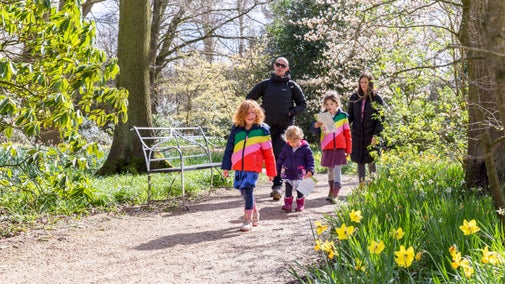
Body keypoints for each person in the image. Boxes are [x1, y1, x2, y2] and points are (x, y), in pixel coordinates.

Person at [246, 57, 307, 201]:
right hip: (266, 128)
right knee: (263, 156)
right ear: (274, 66)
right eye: (277, 64)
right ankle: (250, 185)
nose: (279, 67)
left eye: (283, 65)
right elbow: (249, 99)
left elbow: (302, 104)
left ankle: (277, 187)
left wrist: (291, 112)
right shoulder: (265, 85)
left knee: (280, 155)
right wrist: (258, 113)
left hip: (284, 129)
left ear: (287, 69)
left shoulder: (292, 86)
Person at [221, 100, 277, 232]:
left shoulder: (262, 130)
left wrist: (271, 171)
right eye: (247, 112)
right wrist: (226, 166)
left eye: (253, 112)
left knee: (248, 188)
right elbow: (229, 148)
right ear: (241, 114)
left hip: (253, 166)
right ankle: (255, 213)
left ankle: (247, 220)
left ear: (257, 113)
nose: (250, 115)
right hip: (239, 166)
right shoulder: (236, 129)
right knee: (243, 190)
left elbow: (269, 153)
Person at [312, 91, 352, 204]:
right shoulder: (323, 116)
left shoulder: (343, 116)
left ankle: (336, 192)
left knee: (337, 169)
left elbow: (348, 134)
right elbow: (314, 130)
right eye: (327, 104)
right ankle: (331, 189)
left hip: (339, 148)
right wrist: (316, 125)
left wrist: (348, 149)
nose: (329, 106)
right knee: (330, 170)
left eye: (331, 104)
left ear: (336, 104)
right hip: (328, 147)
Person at [347, 72, 385, 184]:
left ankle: (374, 186)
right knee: (360, 160)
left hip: (371, 134)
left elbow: (380, 119)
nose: (363, 84)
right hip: (358, 135)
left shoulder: (377, 98)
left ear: (370, 83)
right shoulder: (354, 97)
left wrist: (376, 135)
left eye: (365, 82)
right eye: (361, 82)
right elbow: (350, 116)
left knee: (371, 160)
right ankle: (361, 185)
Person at [276, 125, 315, 212]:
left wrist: (310, 170)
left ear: (300, 138)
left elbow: (310, 160)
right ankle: (288, 204)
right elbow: (281, 158)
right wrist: (277, 168)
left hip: (300, 172)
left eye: (295, 141)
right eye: (290, 142)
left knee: (300, 189)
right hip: (288, 172)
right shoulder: (286, 147)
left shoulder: (305, 149)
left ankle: (300, 204)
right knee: (288, 188)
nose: (293, 144)